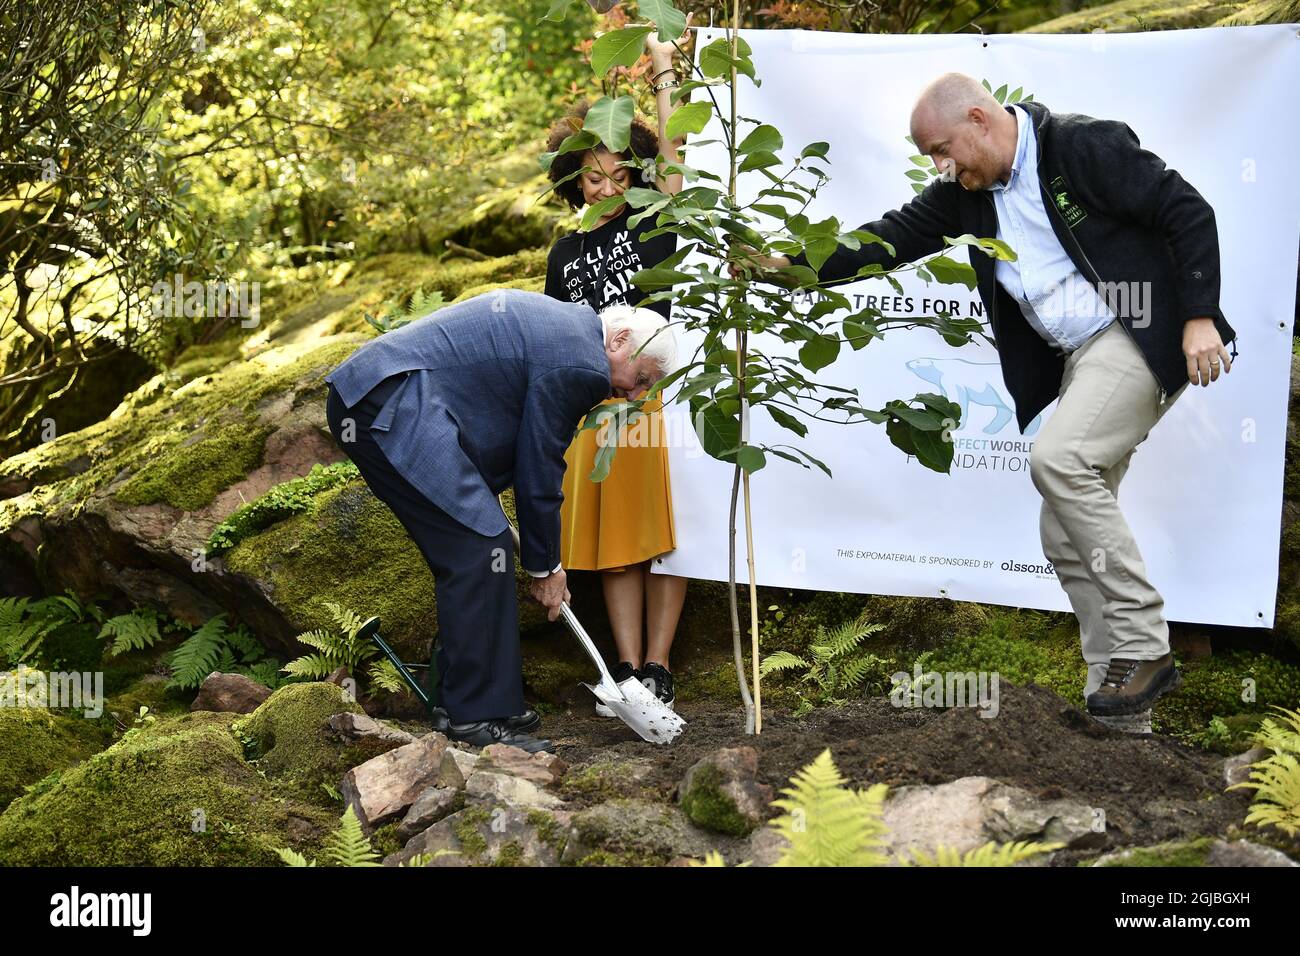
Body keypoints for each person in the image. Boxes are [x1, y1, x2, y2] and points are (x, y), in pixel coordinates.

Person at [731, 73, 1237, 735]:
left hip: (1138, 333)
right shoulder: (964, 196)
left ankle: (1143, 644)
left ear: (978, 119)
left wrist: (1198, 315)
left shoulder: (1081, 146)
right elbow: (886, 240)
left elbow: (1188, 211)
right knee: (1061, 532)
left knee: (1060, 461)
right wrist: (786, 267)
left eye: (944, 150)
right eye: (932, 160)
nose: (942, 167)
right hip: (1083, 358)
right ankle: (1118, 708)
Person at [323, 289, 677, 753]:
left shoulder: (570, 333)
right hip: (389, 400)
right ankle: (477, 717)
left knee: (470, 546)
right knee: (480, 548)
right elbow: (540, 465)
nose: (633, 395)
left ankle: (470, 699)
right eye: (641, 378)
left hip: (385, 398)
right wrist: (546, 567)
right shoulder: (583, 365)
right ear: (621, 340)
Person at [540, 24, 690, 713]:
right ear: (575, 181)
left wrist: (662, 70)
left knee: (667, 537)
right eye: (593, 176)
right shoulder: (563, 255)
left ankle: (661, 663)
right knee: (621, 541)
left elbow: (676, 154)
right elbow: (550, 340)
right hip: (597, 406)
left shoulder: (652, 221)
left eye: (619, 175)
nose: (606, 187)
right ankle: (629, 667)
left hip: (661, 396)